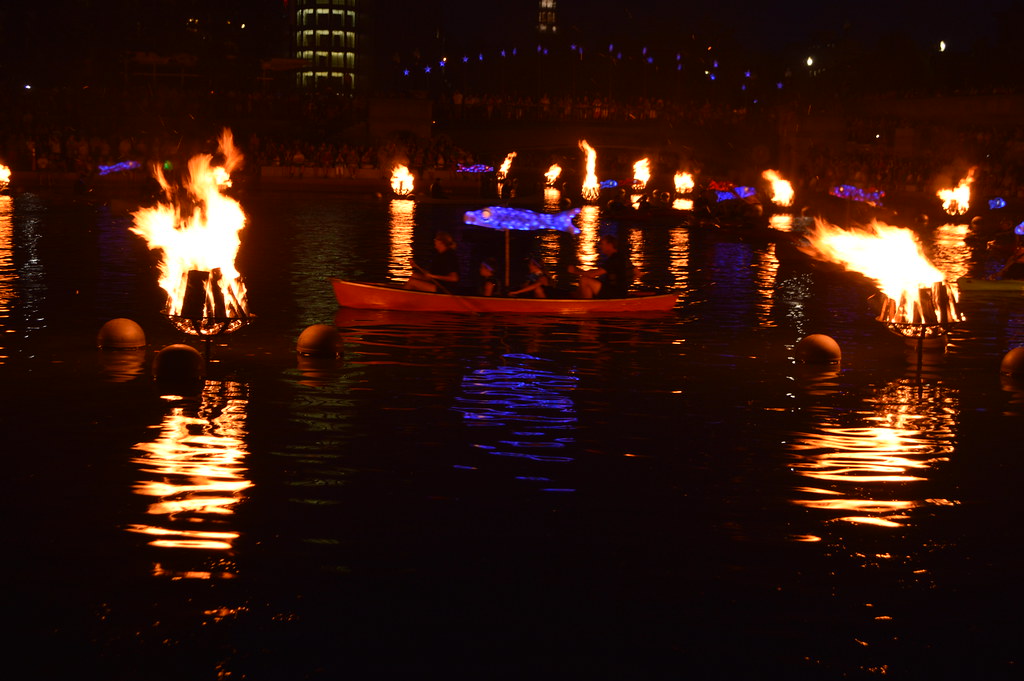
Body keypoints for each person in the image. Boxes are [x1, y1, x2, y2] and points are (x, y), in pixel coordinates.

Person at [568, 234, 633, 299]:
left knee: (584, 280)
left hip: (615, 294)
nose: (600, 246)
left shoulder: (614, 259)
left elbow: (593, 274)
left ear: (609, 245)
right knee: (583, 284)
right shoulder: (622, 256)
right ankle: (580, 299)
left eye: (602, 244)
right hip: (620, 291)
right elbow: (637, 273)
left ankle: (586, 306)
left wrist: (575, 271)